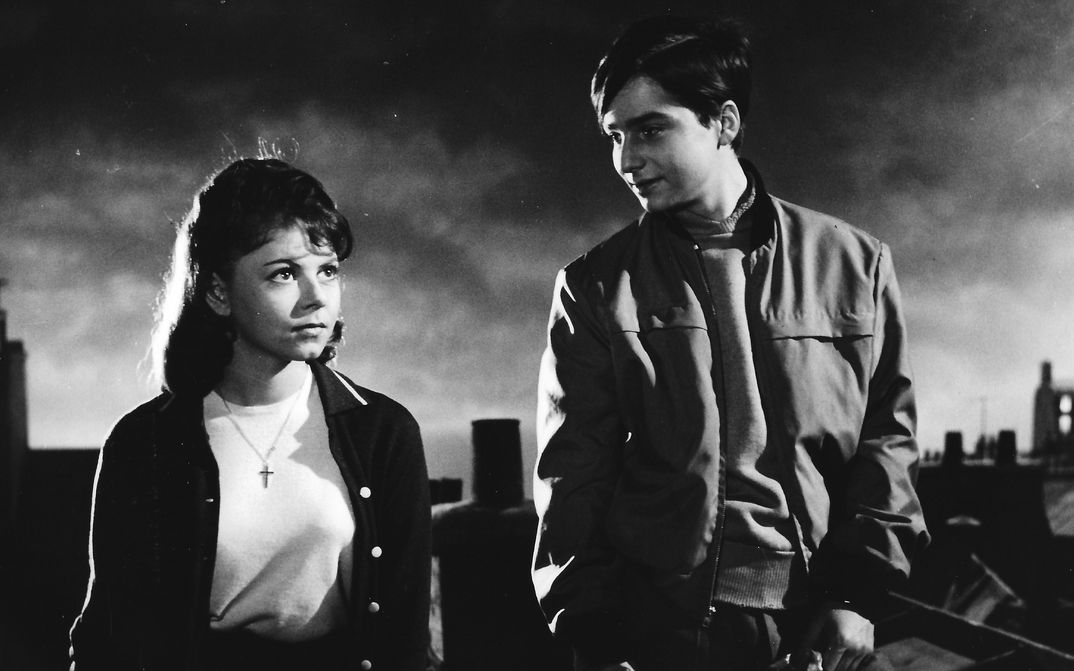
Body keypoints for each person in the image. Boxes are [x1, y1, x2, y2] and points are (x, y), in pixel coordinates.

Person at [531, 16, 928, 671]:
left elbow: (888, 440)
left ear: (725, 123)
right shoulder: (595, 286)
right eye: (615, 135)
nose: (627, 159)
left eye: (651, 128)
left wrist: (857, 595)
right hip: (662, 633)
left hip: (824, 623)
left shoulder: (856, 263)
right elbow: (572, 480)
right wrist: (599, 641)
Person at [69, 157, 431, 671]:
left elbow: (405, 632)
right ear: (218, 292)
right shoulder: (144, 440)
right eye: (283, 274)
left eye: (327, 271)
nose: (315, 298)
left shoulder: (384, 431)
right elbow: (109, 631)